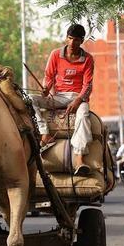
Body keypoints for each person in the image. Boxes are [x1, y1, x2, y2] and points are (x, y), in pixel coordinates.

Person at [30, 24, 94, 176]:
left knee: (84, 115)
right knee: (31, 99)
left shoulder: (88, 59)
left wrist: (77, 101)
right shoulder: (55, 54)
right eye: (70, 38)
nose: (72, 43)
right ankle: (44, 133)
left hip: (78, 98)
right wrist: (46, 88)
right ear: (66, 38)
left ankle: (79, 159)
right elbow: (49, 76)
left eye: (76, 40)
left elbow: (88, 85)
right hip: (58, 97)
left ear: (81, 41)